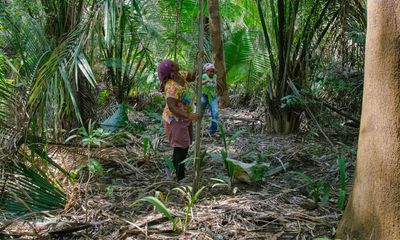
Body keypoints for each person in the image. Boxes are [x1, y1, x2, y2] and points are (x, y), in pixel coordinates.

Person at [158, 59, 200, 182]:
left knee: (183, 146)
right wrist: (189, 115)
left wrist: (198, 61)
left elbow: (194, 75)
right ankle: (180, 176)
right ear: (171, 71)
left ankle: (173, 167)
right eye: (172, 63)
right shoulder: (171, 86)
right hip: (175, 119)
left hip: (184, 117)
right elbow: (172, 107)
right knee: (181, 147)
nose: (175, 62)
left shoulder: (181, 74)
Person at [201, 63, 219, 135]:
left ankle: (212, 130)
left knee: (215, 112)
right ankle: (198, 127)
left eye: (213, 71)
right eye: (210, 71)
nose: (212, 73)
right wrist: (207, 81)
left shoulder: (215, 76)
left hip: (212, 96)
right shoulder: (204, 76)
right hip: (204, 95)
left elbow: (215, 85)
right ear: (206, 71)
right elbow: (200, 83)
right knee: (200, 111)